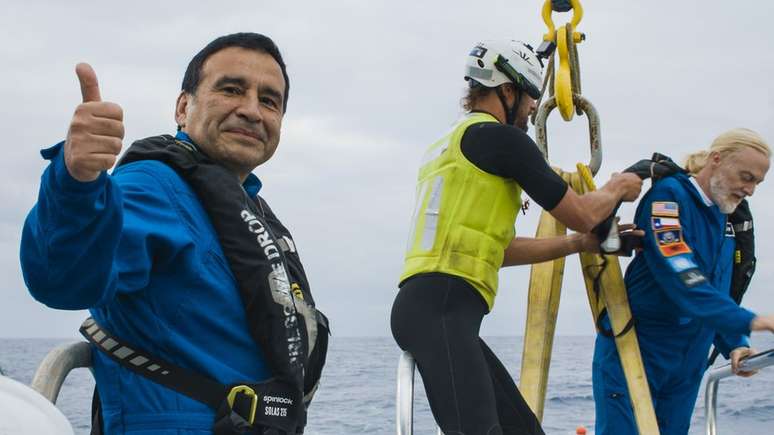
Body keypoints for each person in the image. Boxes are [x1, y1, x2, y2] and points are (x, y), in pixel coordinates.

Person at [20, 33, 328, 435]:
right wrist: (76, 180)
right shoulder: (151, 189)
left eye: (269, 100)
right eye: (232, 89)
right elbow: (60, 279)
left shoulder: (245, 210)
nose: (252, 110)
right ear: (184, 107)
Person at [390, 39, 643, 435]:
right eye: (528, 97)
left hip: (436, 309)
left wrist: (580, 244)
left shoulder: (453, 146)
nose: (531, 109)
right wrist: (618, 186)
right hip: (441, 308)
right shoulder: (502, 141)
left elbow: (500, 250)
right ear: (506, 91)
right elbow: (580, 213)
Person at [592, 129, 774, 435]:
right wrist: (752, 321)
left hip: (688, 365)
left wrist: (735, 345)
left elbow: (717, 290)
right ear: (717, 159)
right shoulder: (668, 198)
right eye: (746, 177)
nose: (750, 189)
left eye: (757, 182)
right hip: (638, 350)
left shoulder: (727, 218)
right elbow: (681, 274)